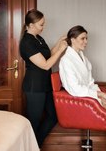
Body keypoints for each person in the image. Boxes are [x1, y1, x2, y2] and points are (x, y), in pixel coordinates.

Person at [19, 9, 68, 147]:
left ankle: (36, 145)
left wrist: (59, 42)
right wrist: (60, 50)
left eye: (43, 24)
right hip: (34, 87)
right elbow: (46, 65)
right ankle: (29, 147)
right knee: (34, 121)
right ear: (31, 25)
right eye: (41, 25)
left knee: (53, 116)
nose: (43, 27)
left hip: (45, 85)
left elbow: (48, 55)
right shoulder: (27, 43)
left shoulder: (38, 38)